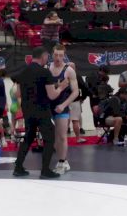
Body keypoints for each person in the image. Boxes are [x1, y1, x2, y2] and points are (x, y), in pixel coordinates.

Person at [12, 46, 69, 179]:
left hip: (27, 110)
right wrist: (61, 87)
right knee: (49, 139)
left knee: (28, 137)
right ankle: (45, 170)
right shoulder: (45, 72)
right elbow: (52, 95)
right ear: (43, 56)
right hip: (42, 110)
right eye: (47, 57)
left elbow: (17, 93)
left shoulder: (23, 72)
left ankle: (18, 167)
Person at [48, 44, 79, 175]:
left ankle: (61, 162)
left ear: (64, 55)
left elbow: (76, 92)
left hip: (62, 107)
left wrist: (64, 105)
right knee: (53, 138)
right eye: (56, 55)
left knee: (62, 136)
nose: (58, 58)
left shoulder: (69, 71)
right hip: (49, 106)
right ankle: (64, 160)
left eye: (61, 55)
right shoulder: (48, 68)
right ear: (52, 54)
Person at [68, 62, 89, 143]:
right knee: (75, 120)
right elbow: (85, 88)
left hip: (64, 101)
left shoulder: (62, 76)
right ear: (75, 68)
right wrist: (82, 98)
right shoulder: (77, 76)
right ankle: (78, 138)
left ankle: (61, 140)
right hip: (74, 100)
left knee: (63, 120)